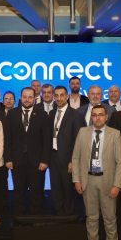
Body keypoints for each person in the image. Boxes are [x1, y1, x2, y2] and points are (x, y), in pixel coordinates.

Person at [72, 105, 121, 240]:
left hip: (108, 182)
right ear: (91, 117)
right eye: (94, 115)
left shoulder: (115, 134)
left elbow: (120, 162)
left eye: (101, 115)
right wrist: (77, 180)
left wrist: (117, 185)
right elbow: (75, 158)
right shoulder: (83, 132)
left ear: (106, 116)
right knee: (91, 217)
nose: (97, 118)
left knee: (109, 218)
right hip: (88, 180)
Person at [4, 87, 50, 216]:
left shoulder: (42, 114)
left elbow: (46, 140)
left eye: (30, 97)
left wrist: (45, 160)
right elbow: (7, 138)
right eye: (25, 97)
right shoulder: (12, 114)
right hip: (17, 161)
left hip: (37, 162)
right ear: (20, 98)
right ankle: (20, 219)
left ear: (35, 98)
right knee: (18, 191)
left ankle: (36, 219)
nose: (27, 99)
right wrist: (8, 159)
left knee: (37, 192)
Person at [48, 86, 79, 217]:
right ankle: (58, 214)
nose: (59, 98)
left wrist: (73, 160)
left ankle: (69, 216)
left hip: (67, 159)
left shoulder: (75, 114)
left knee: (67, 189)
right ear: (54, 97)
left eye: (62, 95)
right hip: (52, 156)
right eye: (57, 95)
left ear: (67, 97)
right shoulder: (51, 113)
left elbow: (78, 140)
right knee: (55, 188)